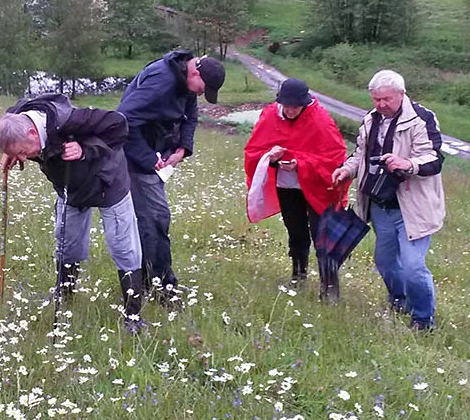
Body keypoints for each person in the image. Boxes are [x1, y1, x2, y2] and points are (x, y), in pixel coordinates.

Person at [0, 94, 145, 331]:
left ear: (33, 133)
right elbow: (13, 133)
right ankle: (64, 297)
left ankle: (133, 315)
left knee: (123, 246)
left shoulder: (72, 121)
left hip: (107, 182)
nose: (24, 158)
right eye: (19, 154)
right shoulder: (19, 117)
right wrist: (11, 151)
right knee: (67, 243)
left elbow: (120, 125)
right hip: (71, 188)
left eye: (24, 151)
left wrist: (85, 149)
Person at [332, 69, 445, 330]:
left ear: (401, 94)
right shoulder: (371, 120)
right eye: (376, 99)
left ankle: (423, 318)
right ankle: (398, 301)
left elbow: (434, 158)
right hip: (381, 205)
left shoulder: (421, 118)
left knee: (413, 266)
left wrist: (407, 164)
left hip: (412, 207)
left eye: (386, 99)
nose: (381, 105)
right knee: (384, 262)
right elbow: (360, 154)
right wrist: (346, 170)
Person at [116, 49, 225, 304]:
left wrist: (182, 148)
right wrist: (149, 158)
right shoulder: (161, 82)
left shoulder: (185, 78)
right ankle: (163, 287)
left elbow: (191, 114)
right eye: (202, 89)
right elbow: (123, 120)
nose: (200, 94)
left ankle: (149, 282)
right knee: (154, 219)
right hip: (135, 157)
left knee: (152, 220)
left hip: (155, 154)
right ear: (195, 72)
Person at [244, 78, 347, 298]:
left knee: (322, 234)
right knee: (296, 232)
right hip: (287, 186)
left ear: (305, 103)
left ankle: (329, 286)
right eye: (286, 106)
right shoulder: (270, 115)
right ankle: (298, 274)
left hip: (318, 187)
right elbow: (254, 150)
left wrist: (299, 163)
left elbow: (335, 158)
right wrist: (271, 159)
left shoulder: (320, 119)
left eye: (295, 107)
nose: (290, 111)